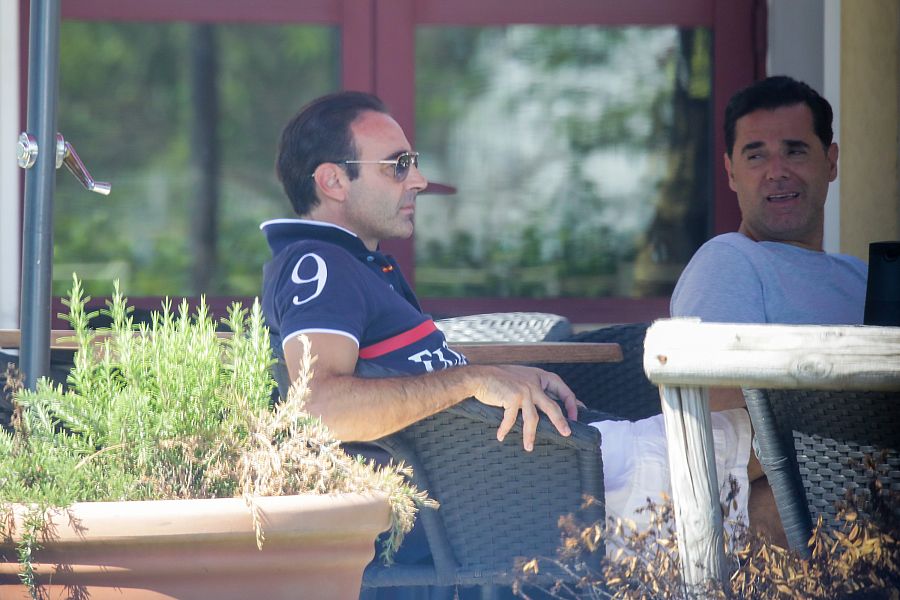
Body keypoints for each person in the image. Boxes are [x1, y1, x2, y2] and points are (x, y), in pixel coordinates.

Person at [260, 91, 759, 551]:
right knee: (794, 448)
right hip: (548, 494)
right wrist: (474, 378)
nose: (419, 180)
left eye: (413, 163)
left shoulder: (362, 264)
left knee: (786, 471)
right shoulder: (317, 263)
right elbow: (319, 406)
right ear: (332, 181)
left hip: (562, 470)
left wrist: (505, 374)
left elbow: (405, 374)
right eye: (398, 165)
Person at [671, 75, 868, 325]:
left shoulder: (860, 277)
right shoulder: (727, 262)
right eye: (756, 156)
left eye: (795, 152)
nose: (777, 172)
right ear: (731, 172)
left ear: (830, 162)